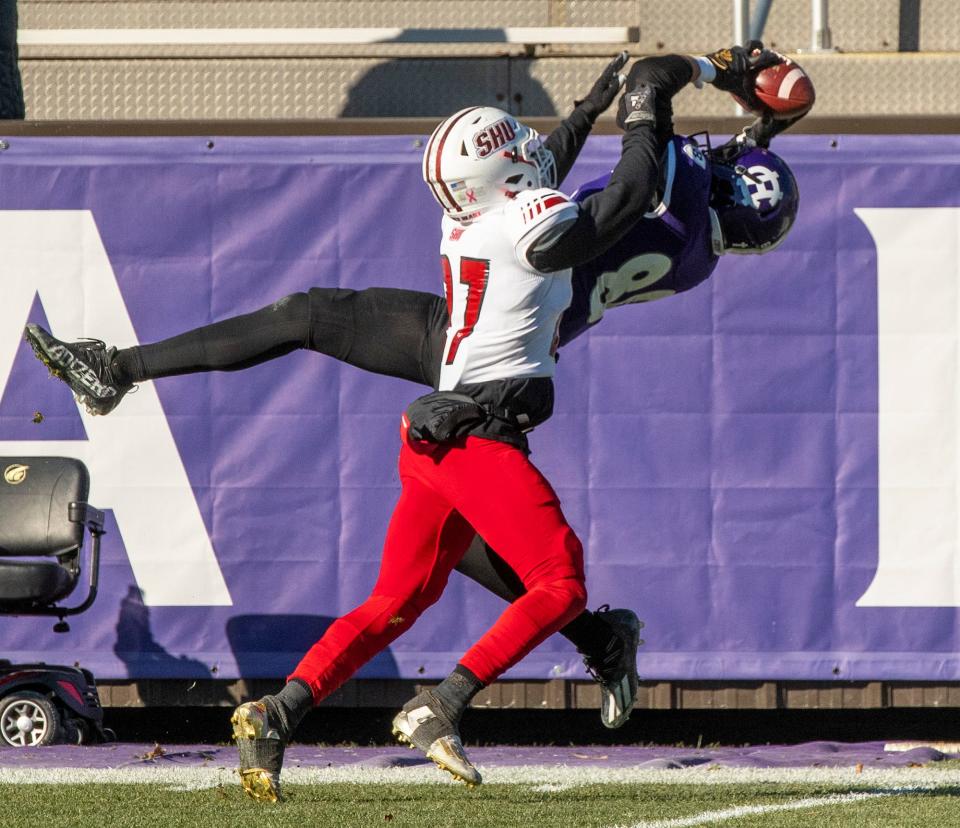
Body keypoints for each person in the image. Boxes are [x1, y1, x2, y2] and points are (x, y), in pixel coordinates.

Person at [24, 46, 799, 768]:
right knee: (502, 556)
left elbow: (632, 174)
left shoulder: (514, 213)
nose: (531, 149)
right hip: (492, 356)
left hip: (503, 329)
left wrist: (677, 79)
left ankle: (560, 645)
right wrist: (670, 110)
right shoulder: (629, 221)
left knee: (333, 355)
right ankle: (116, 370)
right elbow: (607, 174)